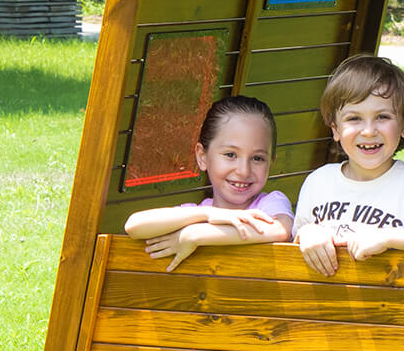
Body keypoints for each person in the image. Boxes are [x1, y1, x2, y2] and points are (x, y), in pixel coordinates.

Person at [294, 54, 404, 276]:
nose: (369, 131)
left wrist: (387, 237)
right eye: (354, 118)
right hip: (329, 307)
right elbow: (295, 240)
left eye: (382, 116)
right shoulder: (318, 182)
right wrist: (308, 233)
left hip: (399, 307)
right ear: (335, 129)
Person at [124, 95, 293, 271]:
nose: (243, 170)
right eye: (230, 155)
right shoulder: (196, 213)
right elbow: (134, 226)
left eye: (257, 158)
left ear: (270, 163)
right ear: (202, 157)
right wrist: (207, 213)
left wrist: (196, 234)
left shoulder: (270, 204)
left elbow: (281, 230)